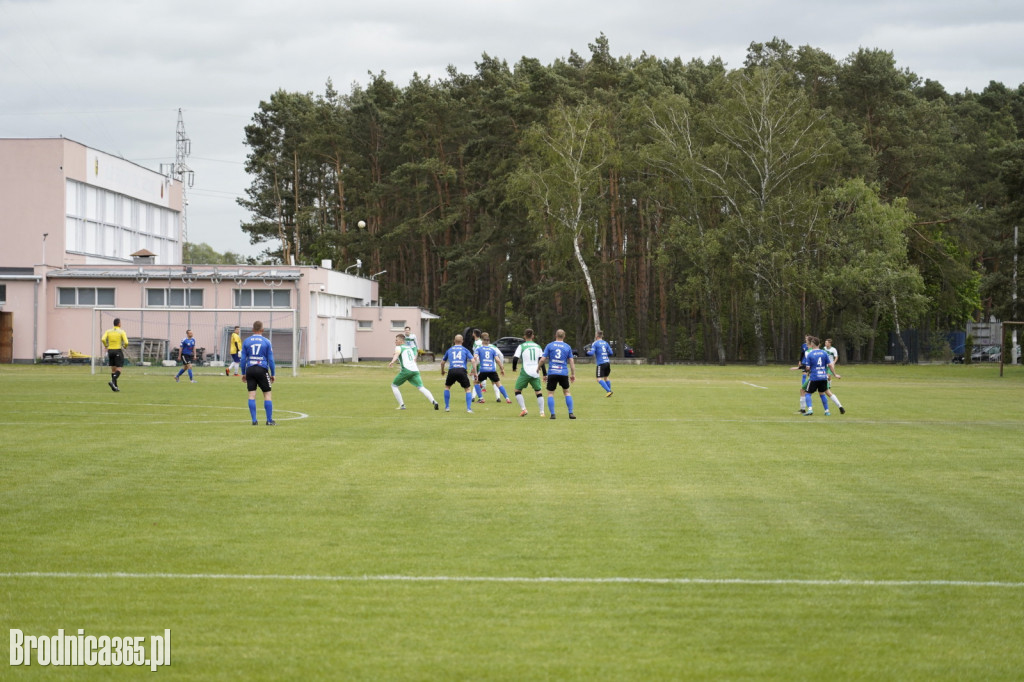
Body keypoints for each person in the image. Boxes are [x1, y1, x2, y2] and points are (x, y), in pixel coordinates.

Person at [388, 333, 439, 411]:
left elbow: (397, 354)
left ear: (401, 341)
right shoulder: (408, 348)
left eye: (396, 340)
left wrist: (392, 361)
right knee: (421, 387)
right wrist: (396, 355)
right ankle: (434, 401)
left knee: (394, 385)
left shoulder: (398, 347)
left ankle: (402, 405)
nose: (395, 341)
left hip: (406, 370)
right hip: (415, 370)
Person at [241, 320, 276, 425]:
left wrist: (243, 373)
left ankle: (254, 420)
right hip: (262, 369)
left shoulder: (246, 341)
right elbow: (271, 360)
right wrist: (273, 374)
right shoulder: (266, 342)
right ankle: (269, 420)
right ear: (262, 330)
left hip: (250, 369)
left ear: (252, 329)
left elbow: (243, 360)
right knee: (267, 394)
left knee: (251, 395)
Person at [539, 329, 577, 419]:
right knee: (567, 392)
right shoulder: (567, 346)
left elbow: (542, 359)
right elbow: (571, 360)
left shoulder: (550, 345)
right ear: (564, 336)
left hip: (552, 372)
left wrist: (538, 367)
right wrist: (573, 374)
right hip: (563, 372)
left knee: (550, 393)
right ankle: (571, 413)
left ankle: (553, 414)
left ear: (555, 335)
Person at [802, 336, 839, 416]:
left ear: (812, 344)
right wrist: (835, 374)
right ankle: (827, 411)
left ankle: (810, 409)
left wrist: (806, 369)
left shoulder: (810, 353)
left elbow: (808, 367)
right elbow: (830, 365)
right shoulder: (824, 352)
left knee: (807, 393)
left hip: (814, 377)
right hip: (823, 377)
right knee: (822, 393)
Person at [512, 328, 545, 417]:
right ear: (533, 336)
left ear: (524, 337)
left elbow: (515, 358)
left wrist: (514, 368)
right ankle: (542, 412)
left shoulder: (521, 346)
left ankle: (524, 409)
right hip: (535, 371)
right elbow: (541, 360)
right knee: (538, 391)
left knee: (517, 390)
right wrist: (545, 374)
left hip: (525, 372)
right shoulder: (538, 346)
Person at [440, 333, 477, 413]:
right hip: (462, 370)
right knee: (467, 389)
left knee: (447, 387)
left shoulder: (449, 350)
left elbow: (442, 363)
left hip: (452, 370)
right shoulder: (465, 350)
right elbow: (473, 361)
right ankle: (469, 409)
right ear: (462, 341)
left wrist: (442, 371)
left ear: (454, 341)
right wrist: (475, 372)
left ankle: (447, 407)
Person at [474, 332, 511, 404]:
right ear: (489, 342)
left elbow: (475, 357)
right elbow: (497, 360)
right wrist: (502, 369)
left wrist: (474, 367)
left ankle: (481, 399)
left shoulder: (479, 349)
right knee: (499, 384)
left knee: (476, 382)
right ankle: (507, 398)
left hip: (483, 370)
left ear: (482, 341)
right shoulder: (492, 350)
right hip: (492, 370)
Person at [100, 317, 129, 392]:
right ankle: (112, 382)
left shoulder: (108, 331)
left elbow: (103, 339)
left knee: (113, 370)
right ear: (119, 324)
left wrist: (106, 346)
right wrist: (124, 347)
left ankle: (115, 387)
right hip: (117, 351)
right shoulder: (121, 331)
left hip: (110, 351)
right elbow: (126, 342)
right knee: (119, 368)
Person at [587, 330, 614, 397]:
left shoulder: (595, 343)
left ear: (596, 336)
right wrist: (605, 354)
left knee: (598, 379)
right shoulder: (606, 343)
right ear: (602, 336)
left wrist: (587, 351)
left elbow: (591, 353)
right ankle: (609, 394)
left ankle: (609, 391)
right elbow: (611, 353)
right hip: (607, 362)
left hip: (601, 363)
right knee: (606, 377)